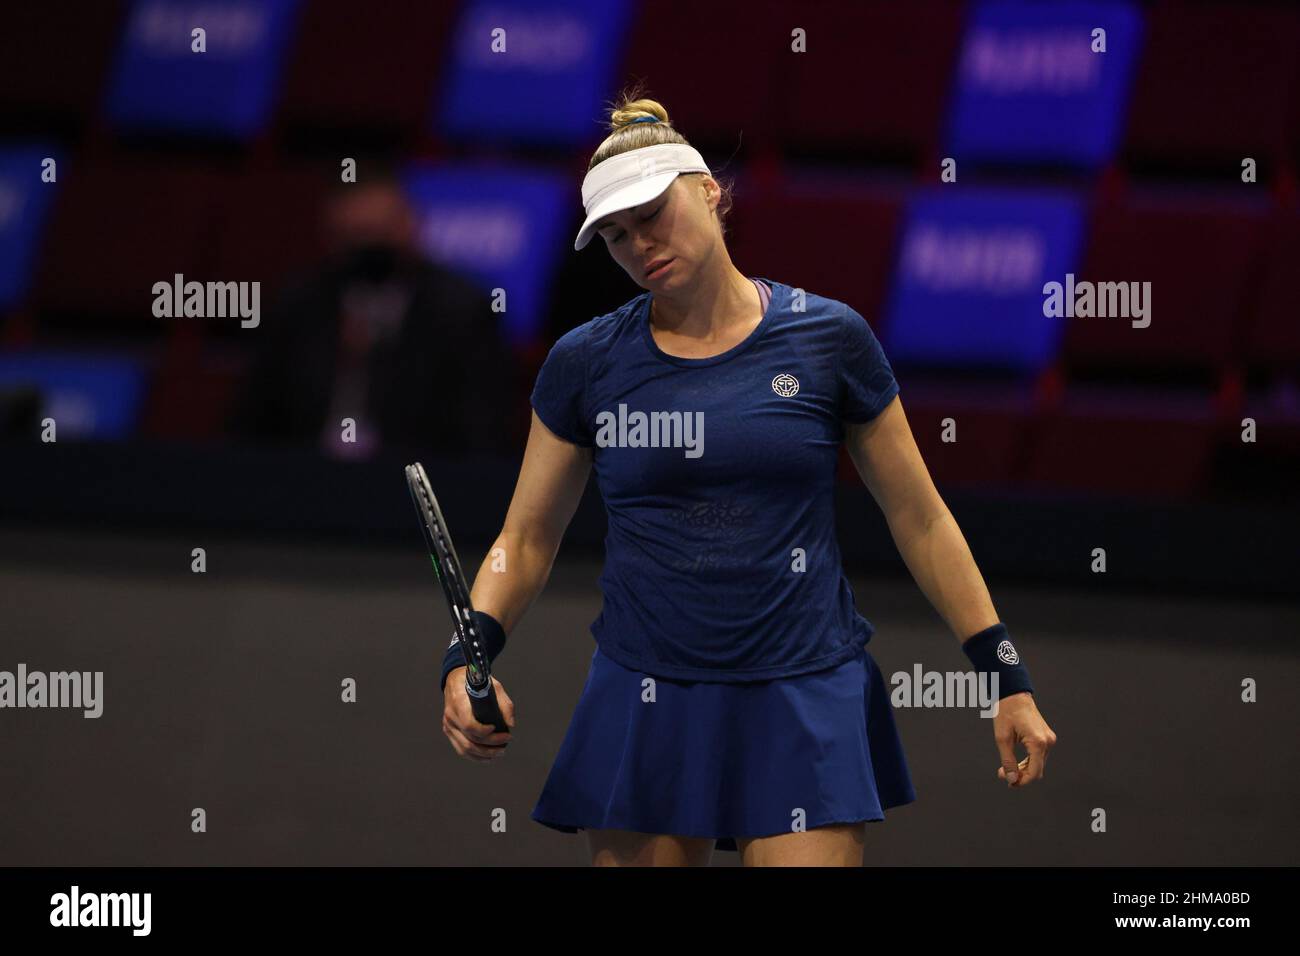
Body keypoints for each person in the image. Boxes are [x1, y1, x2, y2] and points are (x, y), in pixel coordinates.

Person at [440, 90, 1057, 867]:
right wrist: (466, 655)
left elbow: (921, 518)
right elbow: (525, 539)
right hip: (647, 686)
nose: (640, 246)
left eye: (653, 213)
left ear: (709, 190)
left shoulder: (830, 340)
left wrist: (1007, 675)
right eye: (618, 236)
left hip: (803, 687)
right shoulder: (584, 364)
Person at [228, 174, 515, 458]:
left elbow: (479, 434)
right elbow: (250, 423)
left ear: (411, 227)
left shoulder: (463, 311)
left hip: (411, 480)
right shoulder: (298, 305)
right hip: (303, 479)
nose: (370, 251)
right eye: (356, 236)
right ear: (331, 237)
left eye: (381, 233)